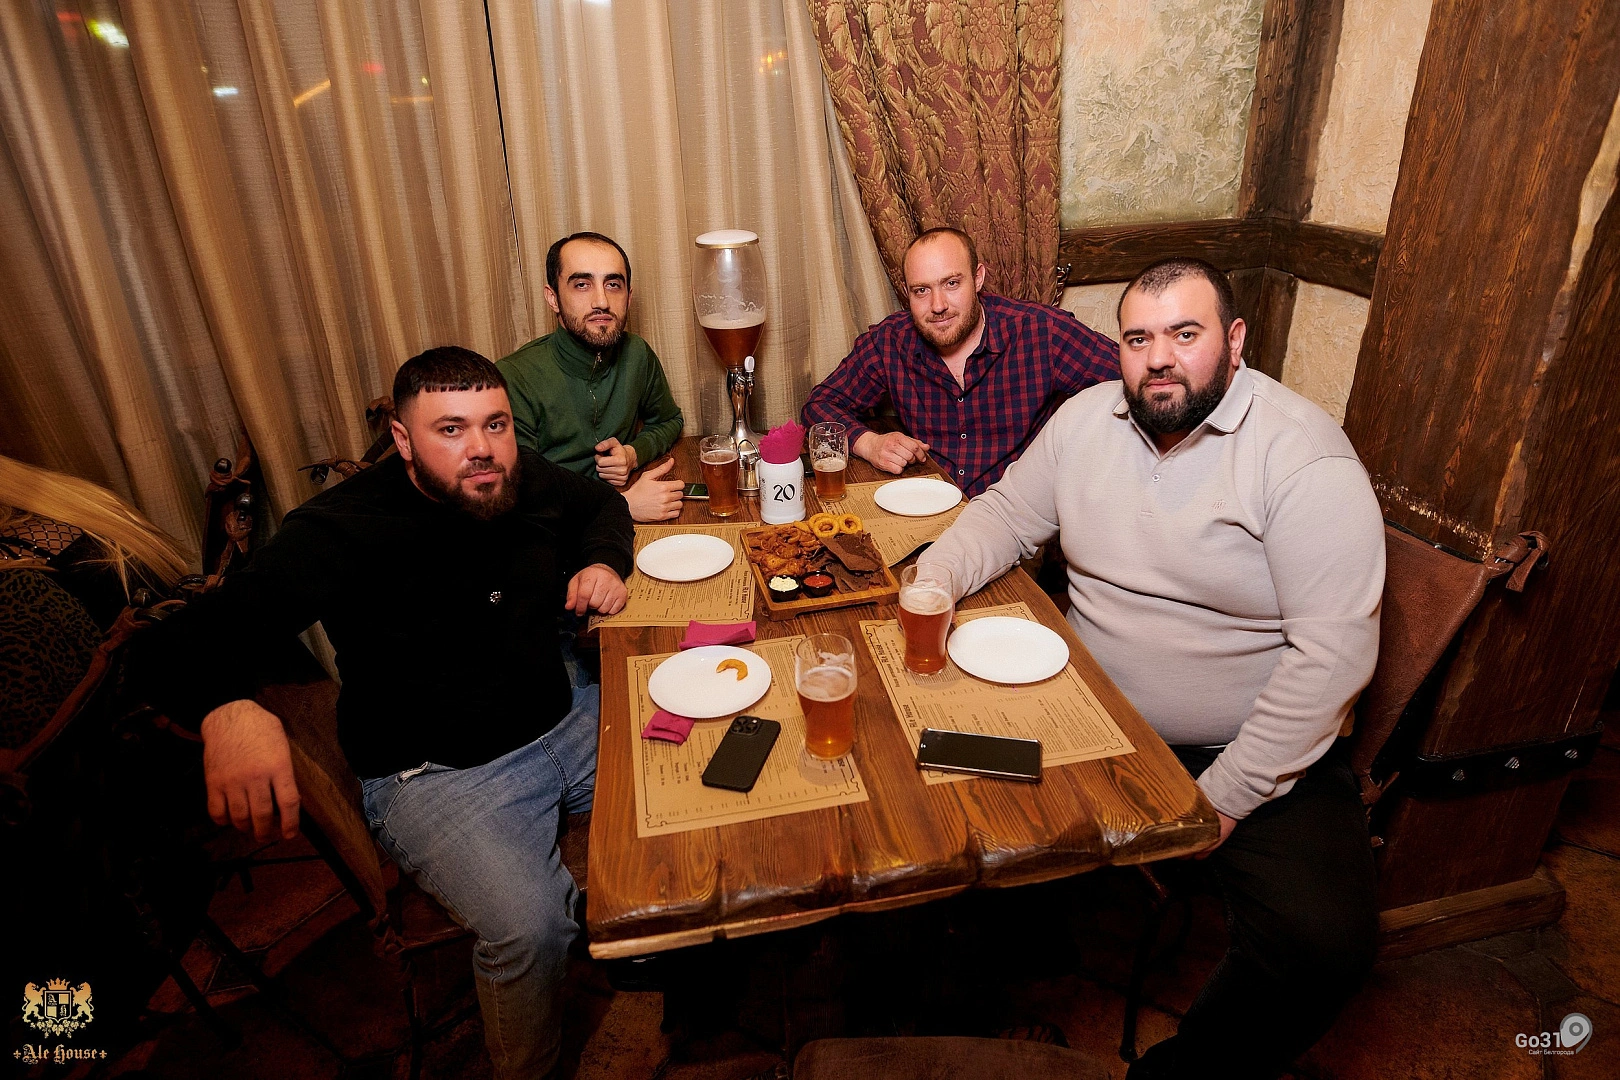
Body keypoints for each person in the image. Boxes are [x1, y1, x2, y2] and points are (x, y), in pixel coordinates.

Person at [917, 258, 1384, 1078]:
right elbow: (1006, 515)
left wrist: (1226, 797)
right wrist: (933, 583)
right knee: (933, 790)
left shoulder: (1302, 457)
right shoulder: (1085, 422)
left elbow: (1332, 657)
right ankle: (991, 990)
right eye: (1137, 339)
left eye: (1184, 334)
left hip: (1245, 748)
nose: (1158, 358)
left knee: (1322, 945)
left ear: (1235, 341)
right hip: (1082, 717)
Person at [131, 347, 634, 1079]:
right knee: (531, 928)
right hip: (440, 778)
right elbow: (167, 648)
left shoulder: (518, 477)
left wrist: (602, 560)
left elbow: (602, 506)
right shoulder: (340, 529)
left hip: (566, 721)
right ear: (402, 439)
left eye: (494, 424)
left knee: (704, 763)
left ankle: (668, 963)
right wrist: (225, 707)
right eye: (451, 429)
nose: (481, 448)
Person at [801, 227, 1116, 496]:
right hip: (928, 505)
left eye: (951, 284)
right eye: (921, 291)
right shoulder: (890, 341)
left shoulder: (1041, 331)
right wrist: (869, 443)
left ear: (977, 278)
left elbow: (1133, 380)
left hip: (1016, 516)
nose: (938, 305)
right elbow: (820, 404)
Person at [499, 231, 686, 522]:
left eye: (613, 284)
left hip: (620, 507)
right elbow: (521, 495)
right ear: (553, 298)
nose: (601, 301)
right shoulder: (512, 377)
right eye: (582, 285)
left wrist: (632, 454)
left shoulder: (636, 353)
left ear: (629, 297)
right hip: (558, 531)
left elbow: (668, 420)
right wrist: (620, 506)